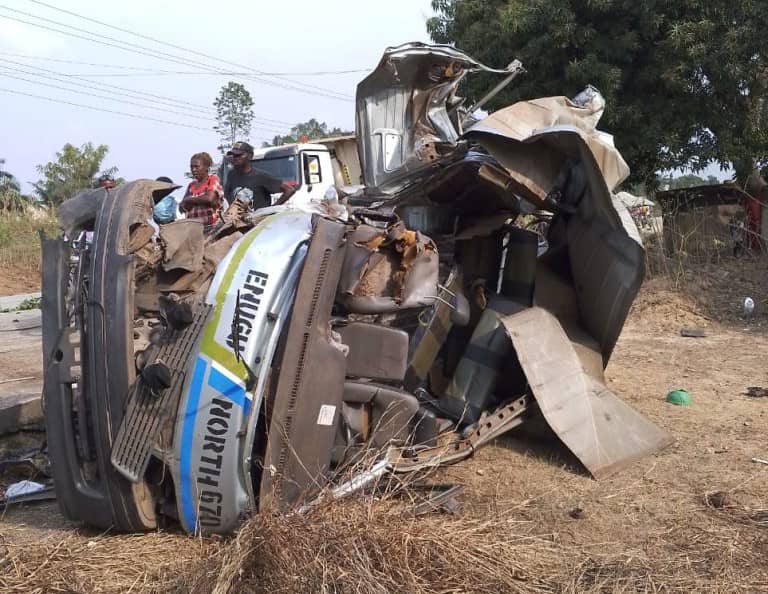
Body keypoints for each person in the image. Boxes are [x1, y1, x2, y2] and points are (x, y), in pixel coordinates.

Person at [224, 141, 295, 209]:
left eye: (239, 155)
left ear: (250, 156)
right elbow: (226, 194)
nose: (236, 158)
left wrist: (273, 208)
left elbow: (289, 190)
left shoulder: (260, 176)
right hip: (238, 219)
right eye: (234, 155)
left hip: (258, 220)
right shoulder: (231, 175)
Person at [180, 152, 224, 227]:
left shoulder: (212, 180)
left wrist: (189, 200)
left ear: (206, 167)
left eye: (197, 166)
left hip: (212, 227)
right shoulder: (191, 185)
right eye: (192, 167)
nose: (193, 170)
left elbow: (209, 198)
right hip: (194, 229)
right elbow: (183, 207)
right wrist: (191, 201)